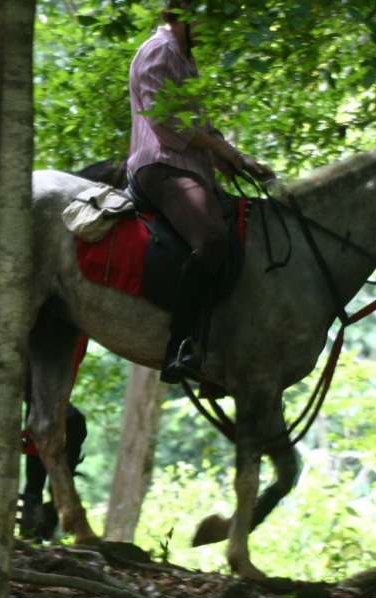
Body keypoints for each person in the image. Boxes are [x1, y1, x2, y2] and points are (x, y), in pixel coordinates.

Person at [126, 0, 273, 383]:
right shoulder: (159, 51)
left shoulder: (185, 58)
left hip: (189, 169)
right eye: (207, 14)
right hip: (160, 167)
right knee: (211, 239)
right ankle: (178, 346)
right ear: (184, 15)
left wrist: (237, 159)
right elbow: (163, 121)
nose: (212, 24)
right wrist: (220, 150)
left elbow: (200, 125)